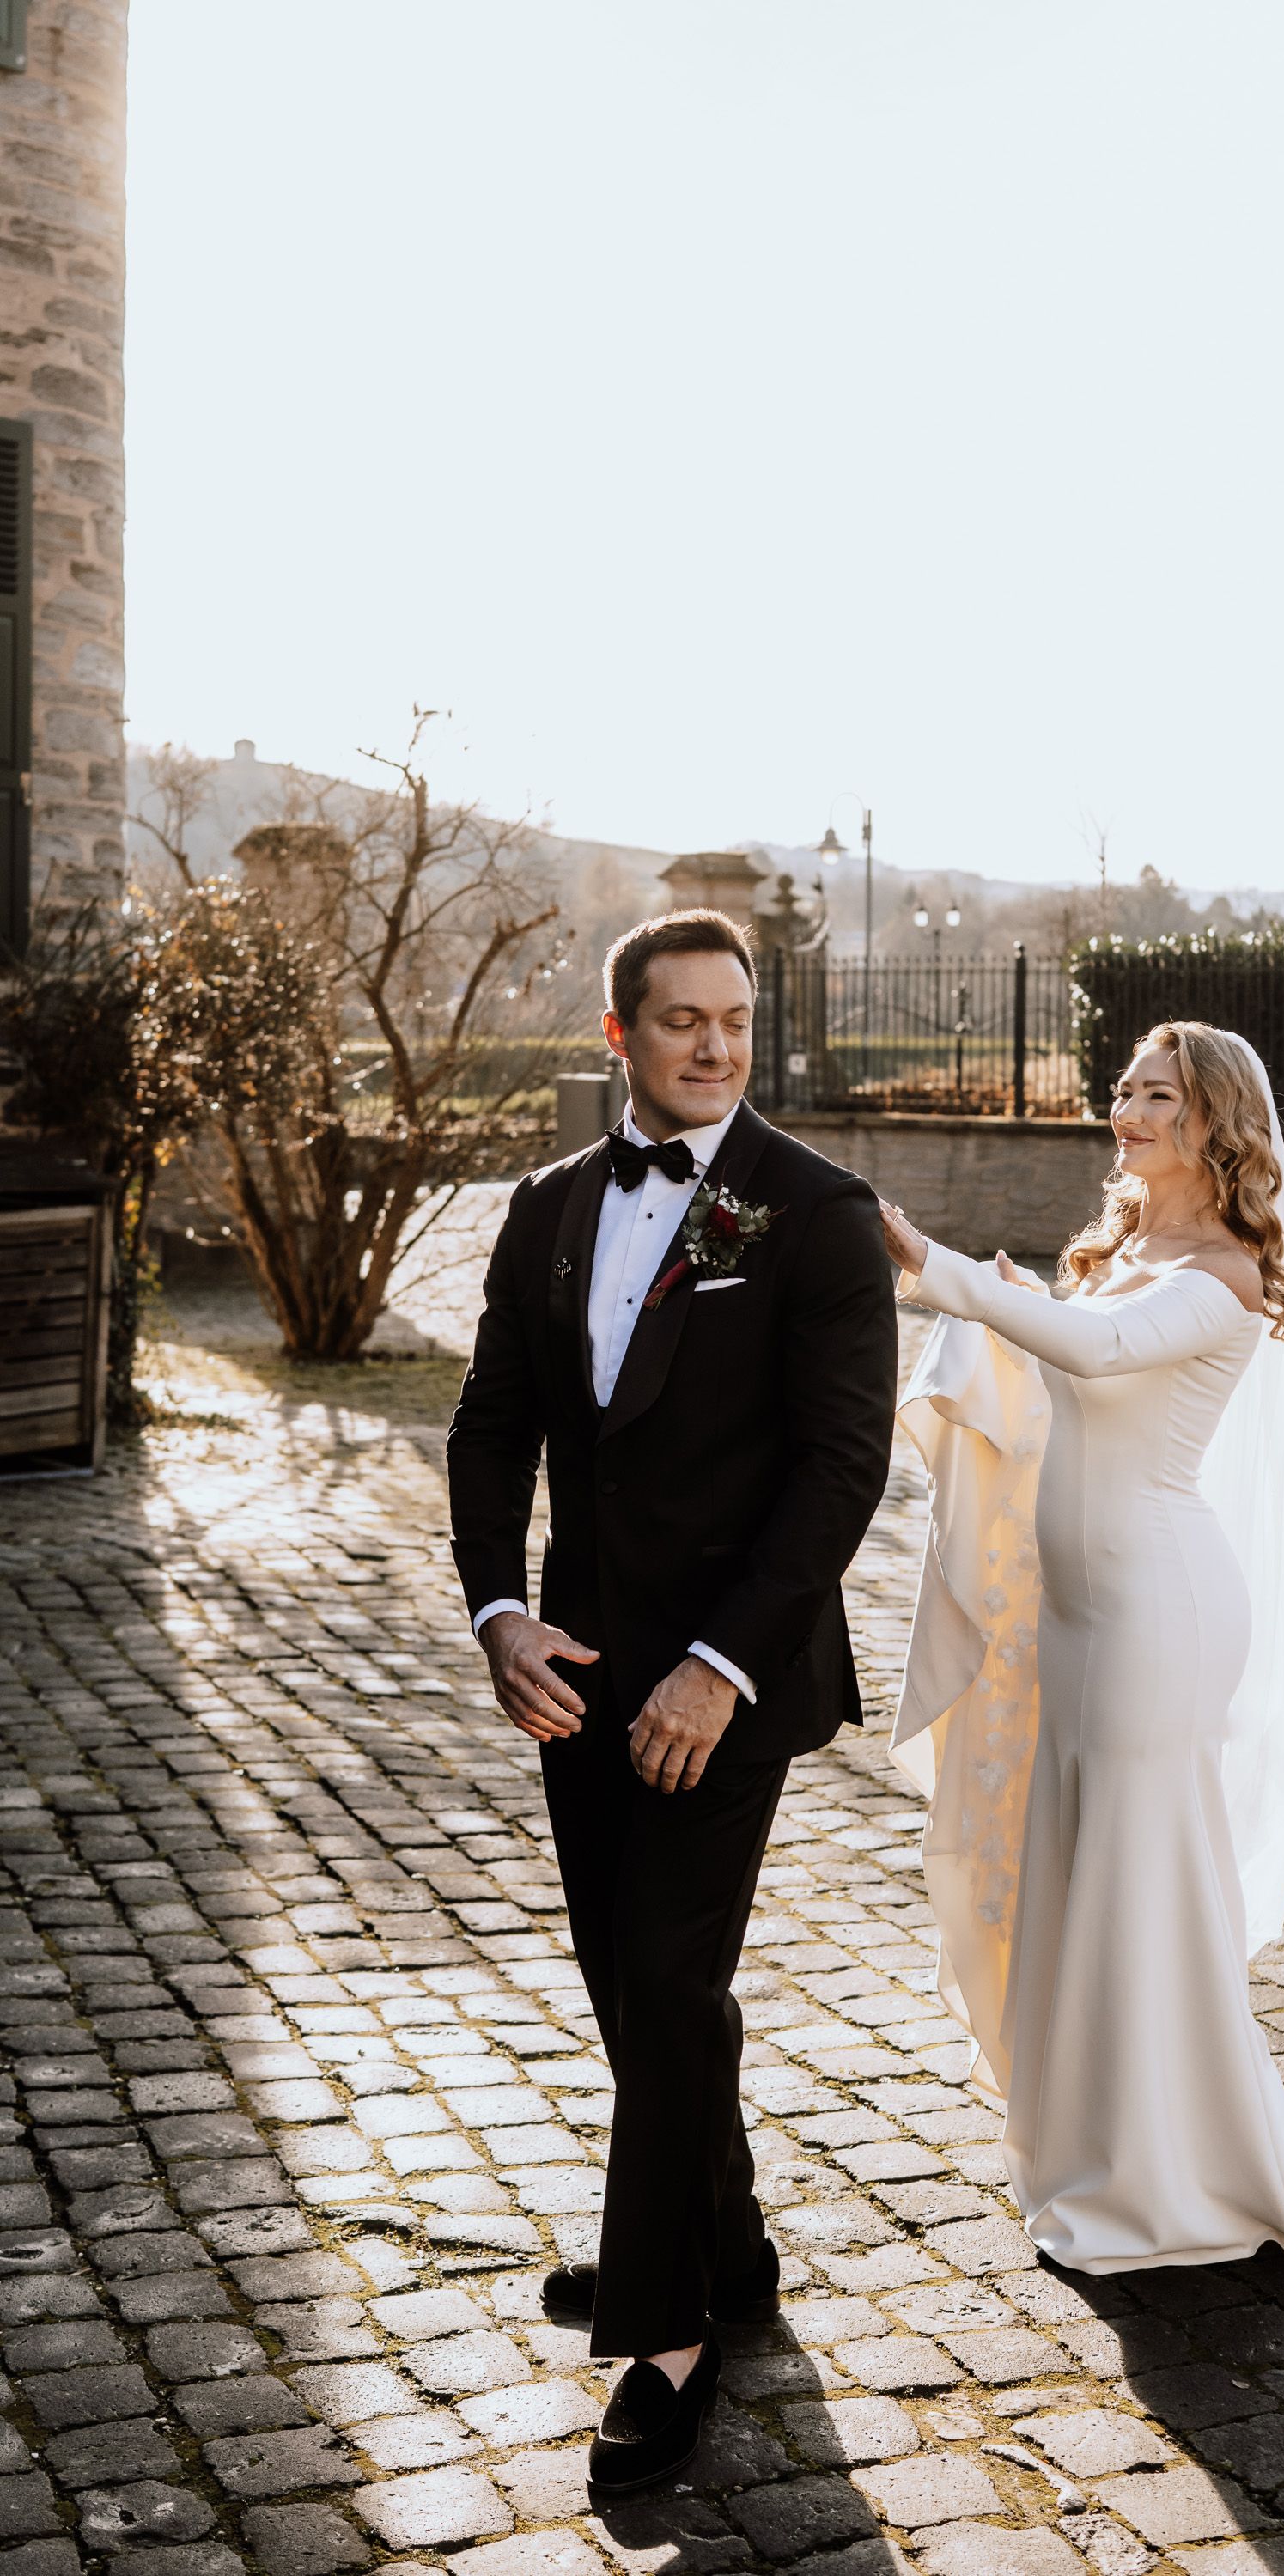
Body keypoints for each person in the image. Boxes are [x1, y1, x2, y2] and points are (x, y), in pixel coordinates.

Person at [447, 910, 897, 2494]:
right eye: (683, 1020)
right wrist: (502, 1613)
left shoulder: (809, 1213)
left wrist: (721, 1666)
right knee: (633, 1985)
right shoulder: (550, 1206)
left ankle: (667, 2328)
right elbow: (494, 1425)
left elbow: (843, 1470)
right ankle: (730, 2242)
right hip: (577, 1670)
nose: (715, 1046)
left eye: (736, 1018)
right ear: (618, 1031)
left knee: (663, 1964)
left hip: (736, 1675)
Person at [877, 1021, 1284, 2277]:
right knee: (1081, 1863)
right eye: (1124, 1087)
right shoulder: (1133, 1245)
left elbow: (1099, 1353)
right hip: (1081, 1610)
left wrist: (938, 1270)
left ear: (1218, 1128)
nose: (1126, 1109)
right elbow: (1074, 1351)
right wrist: (1015, 1299)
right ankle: (1087, 2143)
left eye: (1159, 1095)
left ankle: (1174, 2176)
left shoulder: (1231, 1272)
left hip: (1159, 1608)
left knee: (1142, 1878)